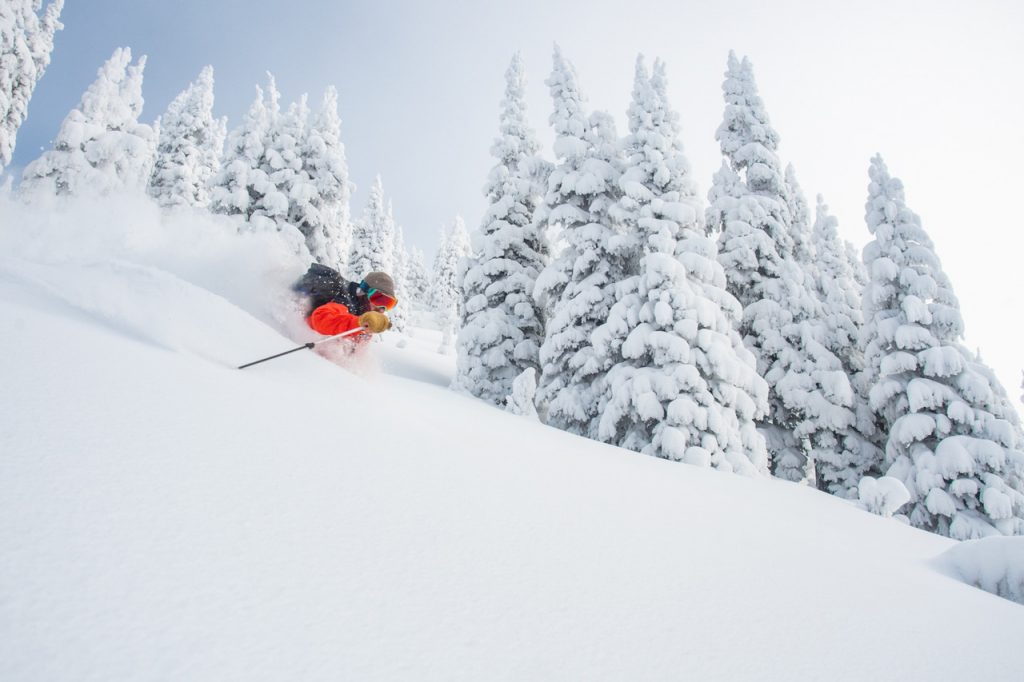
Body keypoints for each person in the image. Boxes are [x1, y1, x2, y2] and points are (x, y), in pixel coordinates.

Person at [294, 264, 397, 340]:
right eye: (378, 299)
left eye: (388, 303)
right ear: (364, 292)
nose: (381, 308)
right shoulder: (344, 299)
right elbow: (320, 318)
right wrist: (358, 323)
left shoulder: (363, 314)